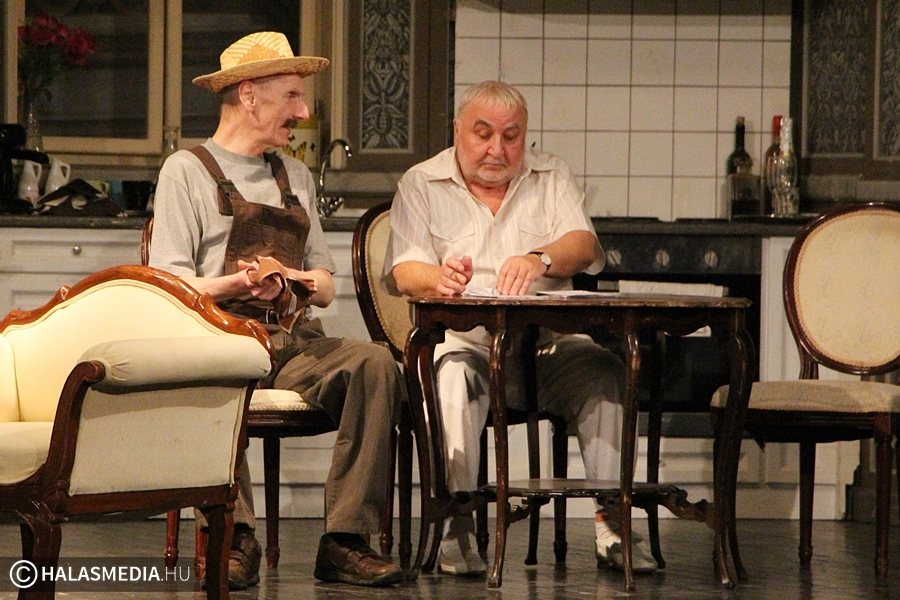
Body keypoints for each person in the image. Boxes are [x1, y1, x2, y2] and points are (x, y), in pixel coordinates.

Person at [148, 31, 404, 589]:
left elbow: (327, 284)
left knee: (376, 364)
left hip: (292, 340)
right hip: (221, 337)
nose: (303, 112)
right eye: (291, 95)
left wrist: (293, 282)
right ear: (248, 95)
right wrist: (238, 282)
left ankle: (344, 540)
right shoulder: (186, 171)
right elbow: (169, 283)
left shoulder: (295, 176)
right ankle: (233, 536)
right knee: (212, 372)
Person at [384, 80, 658, 575]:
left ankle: (613, 523)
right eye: (483, 133)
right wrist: (440, 278)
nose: (497, 148)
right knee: (451, 378)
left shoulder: (550, 175)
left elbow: (583, 244)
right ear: (458, 131)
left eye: (511, 136)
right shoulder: (421, 183)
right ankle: (457, 528)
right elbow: (405, 270)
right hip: (467, 346)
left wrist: (540, 258)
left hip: (548, 350)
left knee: (606, 373)